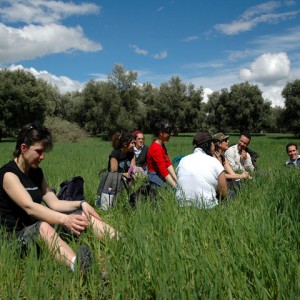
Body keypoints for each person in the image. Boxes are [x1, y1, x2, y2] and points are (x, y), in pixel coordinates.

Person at [0, 124, 116, 273]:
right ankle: (81, 267)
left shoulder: (36, 172)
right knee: (42, 227)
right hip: (14, 238)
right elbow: (30, 207)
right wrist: (64, 219)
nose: (42, 157)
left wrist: (81, 203)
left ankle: (122, 242)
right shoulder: (8, 175)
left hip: (39, 232)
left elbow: (54, 203)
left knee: (81, 214)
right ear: (23, 148)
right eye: (38, 151)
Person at [176, 132, 228, 208]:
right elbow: (223, 192)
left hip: (182, 206)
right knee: (231, 194)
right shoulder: (214, 162)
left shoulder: (183, 161)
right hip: (207, 208)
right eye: (212, 143)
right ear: (209, 144)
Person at [147, 119, 177, 188]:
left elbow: (168, 163)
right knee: (166, 189)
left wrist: (176, 179)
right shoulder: (156, 148)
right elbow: (163, 170)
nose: (170, 134)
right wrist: (175, 187)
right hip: (153, 175)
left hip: (160, 174)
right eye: (168, 132)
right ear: (161, 133)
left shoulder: (161, 145)